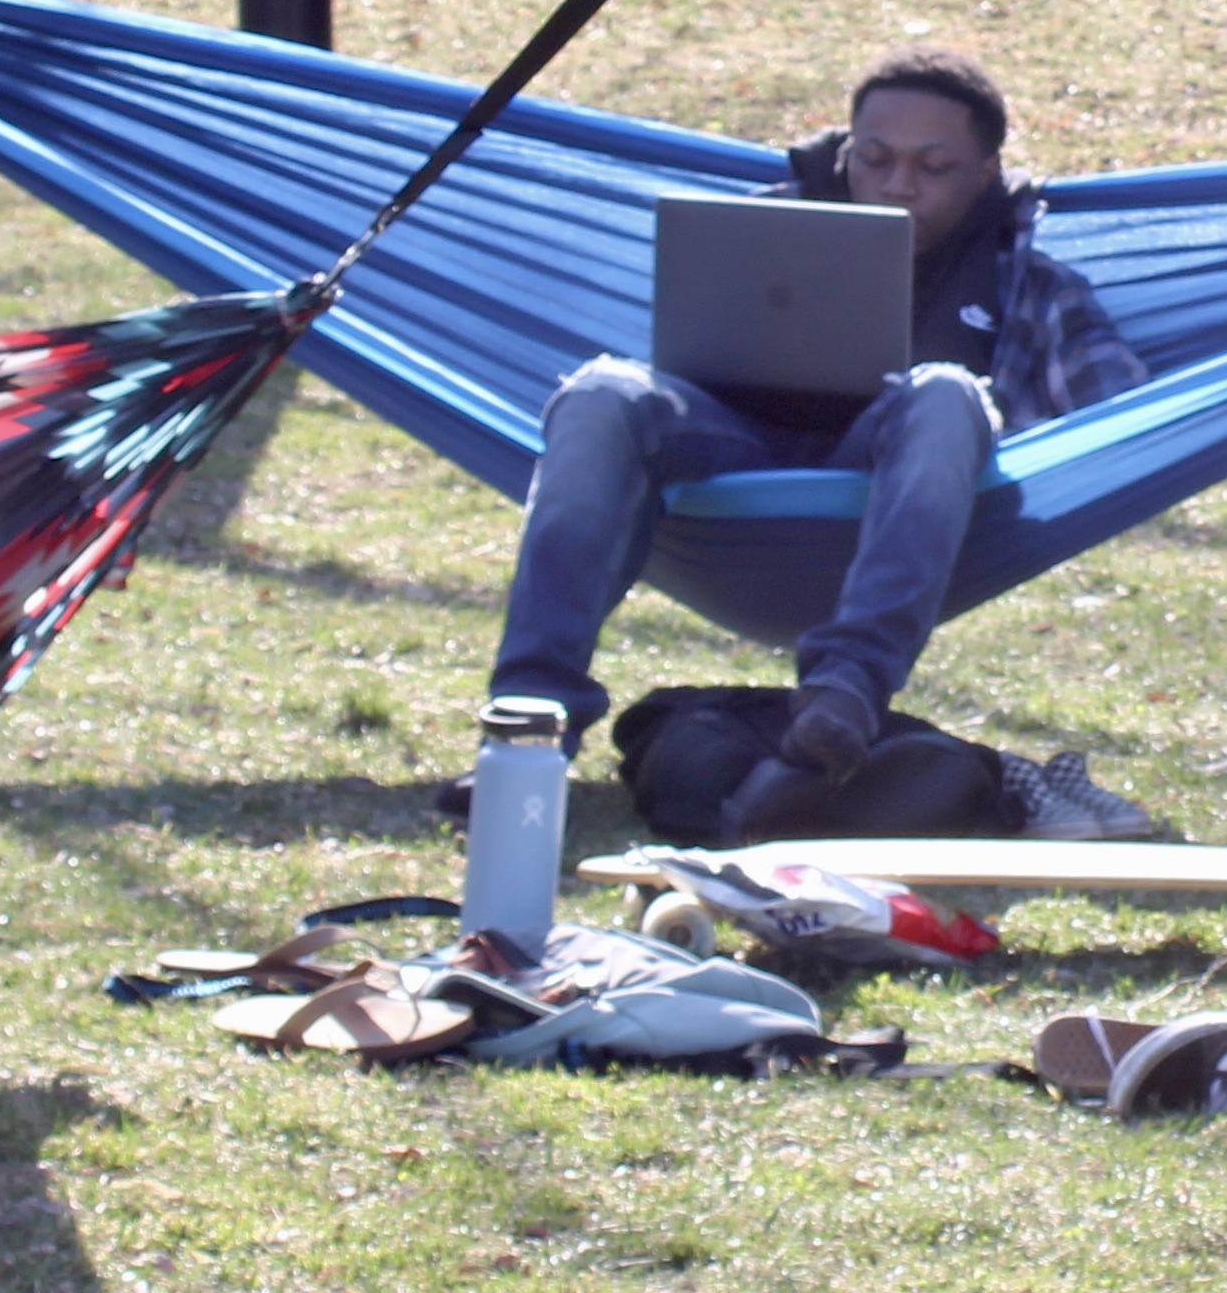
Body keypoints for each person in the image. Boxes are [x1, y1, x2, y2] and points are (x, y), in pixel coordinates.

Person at [487, 47, 1142, 835]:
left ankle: (844, 694)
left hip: (900, 480)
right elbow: (663, 364)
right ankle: (528, 727)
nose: (899, 184)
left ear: (984, 173)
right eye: (874, 158)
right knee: (597, 392)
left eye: (934, 166)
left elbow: (1120, 423)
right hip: (726, 461)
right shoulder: (754, 231)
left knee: (945, 393)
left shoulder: (1029, 283)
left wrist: (1018, 431)